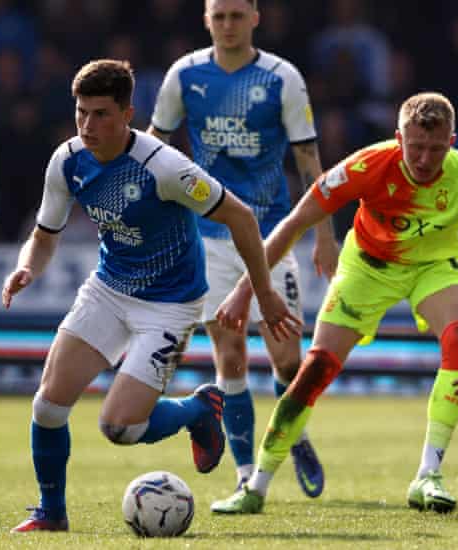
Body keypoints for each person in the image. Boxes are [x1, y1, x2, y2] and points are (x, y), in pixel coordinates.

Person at [4, 59, 299, 532]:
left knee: (119, 428)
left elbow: (242, 218)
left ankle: (200, 408)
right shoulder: (68, 159)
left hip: (170, 303)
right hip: (109, 289)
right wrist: (26, 267)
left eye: (101, 114)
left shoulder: (163, 166)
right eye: (81, 113)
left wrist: (263, 292)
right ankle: (51, 513)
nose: (88, 125)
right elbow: (44, 233)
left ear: (127, 113)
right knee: (48, 405)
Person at [211, 92, 458, 514]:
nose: (425, 159)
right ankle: (256, 486)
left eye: (436, 149)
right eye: (416, 147)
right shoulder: (367, 164)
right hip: (367, 268)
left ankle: (428, 475)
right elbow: (296, 221)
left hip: (436, 268)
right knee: (314, 369)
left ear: (452, 142)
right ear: (398, 138)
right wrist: (246, 291)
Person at [148, 0, 339, 500]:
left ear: (255, 18)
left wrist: (324, 233)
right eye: (220, 16)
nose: (228, 25)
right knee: (228, 355)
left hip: (271, 235)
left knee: (285, 361)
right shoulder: (184, 76)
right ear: (206, 20)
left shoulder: (282, 78)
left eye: (237, 15)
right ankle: (245, 473)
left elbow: (306, 156)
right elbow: (154, 146)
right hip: (207, 237)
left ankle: (291, 435)